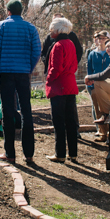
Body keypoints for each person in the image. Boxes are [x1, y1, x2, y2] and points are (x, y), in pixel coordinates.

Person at [0, 0, 41, 164]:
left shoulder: (1, 26)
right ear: (22, 11)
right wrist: (29, 67)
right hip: (23, 73)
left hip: (6, 72)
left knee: (7, 110)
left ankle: (10, 153)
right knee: (26, 111)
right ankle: (29, 154)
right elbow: (36, 52)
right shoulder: (31, 28)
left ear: (8, 11)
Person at [44, 18, 79, 163]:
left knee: (58, 121)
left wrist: (48, 80)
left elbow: (55, 68)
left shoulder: (58, 45)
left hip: (59, 87)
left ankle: (60, 154)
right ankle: (73, 153)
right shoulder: (71, 43)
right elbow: (75, 65)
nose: (50, 31)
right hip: (70, 84)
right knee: (70, 121)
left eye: (52, 28)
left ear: (58, 30)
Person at [87, 31, 110, 141]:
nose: (101, 41)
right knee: (98, 111)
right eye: (99, 38)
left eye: (103, 38)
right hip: (95, 87)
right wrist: (91, 87)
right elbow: (89, 70)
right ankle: (102, 134)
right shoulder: (92, 54)